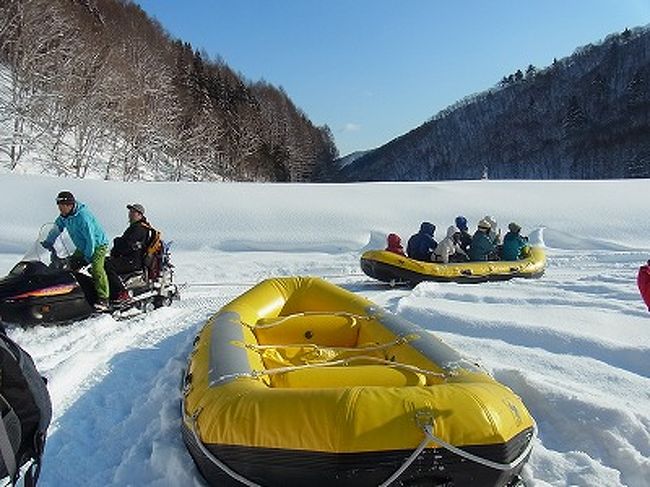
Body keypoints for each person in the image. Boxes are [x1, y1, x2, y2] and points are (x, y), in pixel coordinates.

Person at [41, 191, 110, 311]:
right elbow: (56, 229)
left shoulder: (83, 217)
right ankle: (73, 293)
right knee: (70, 265)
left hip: (98, 245)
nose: (60, 209)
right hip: (82, 245)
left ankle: (104, 298)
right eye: (59, 206)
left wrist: (88, 257)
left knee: (97, 268)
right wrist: (48, 242)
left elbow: (90, 239)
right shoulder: (64, 217)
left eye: (62, 206)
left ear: (69, 205)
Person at [105, 204, 152, 303]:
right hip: (133, 259)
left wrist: (117, 242)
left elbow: (126, 245)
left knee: (107, 265)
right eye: (130, 212)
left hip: (133, 261)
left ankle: (122, 293)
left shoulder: (138, 228)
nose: (130, 214)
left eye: (133, 212)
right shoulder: (139, 227)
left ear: (140, 215)